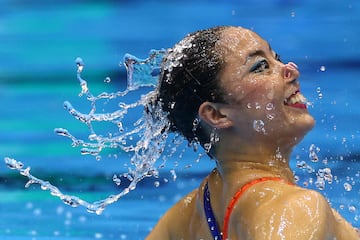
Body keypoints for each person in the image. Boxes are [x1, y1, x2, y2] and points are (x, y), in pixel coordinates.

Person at [146, 26, 359, 240]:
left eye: (277, 58)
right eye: (261, 66)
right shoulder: (295, 209)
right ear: (217, 114)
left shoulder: (187, 216)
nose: (292, 70)